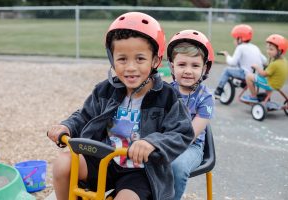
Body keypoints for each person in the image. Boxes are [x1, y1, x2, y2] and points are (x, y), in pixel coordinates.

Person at [47, 12, 195, 200]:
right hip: (103, 160)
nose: (130, 67)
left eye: (140, 59)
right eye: (122, 59)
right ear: (112, 59)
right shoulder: (105, 90)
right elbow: (85, 116)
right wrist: (67, 126)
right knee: (63, 164)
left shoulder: (167, 97)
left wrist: (152, 143)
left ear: (155, 61)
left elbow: (182, 133)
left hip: (140, 171)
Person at [167, 30, 215, 200]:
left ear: (204, 68)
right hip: (163, 141)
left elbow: (190, 135)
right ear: (172, 66)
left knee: (177, 166)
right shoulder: (165, 92)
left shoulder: (205, 98)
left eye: (195, 65)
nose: (188, 71)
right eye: (182, 65)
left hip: (190, 146)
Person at [214, 24, 267, 98]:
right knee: (240, 68)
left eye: (235, 38)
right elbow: (265, 60)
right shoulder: (255, 47)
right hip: (257, 74)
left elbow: (232, 63)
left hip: (246, 74)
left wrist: (227, 55)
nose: (234, 41)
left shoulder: (240, 47)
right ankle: (242, 83)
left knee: (227, 70)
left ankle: (219, 90)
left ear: (240, 39)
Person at [241, 34, 288, 102]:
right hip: (278, 84)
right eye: (268, 48)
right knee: (261, 77)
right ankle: (266, 97)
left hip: (270, 84)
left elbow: (263, 74)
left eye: (271, 49)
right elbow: (273, 70)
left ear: (280, 51)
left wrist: (257, 67)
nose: (268, 51)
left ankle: (253, 96)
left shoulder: (275, 64)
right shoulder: (283, 61)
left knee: (249, 77)